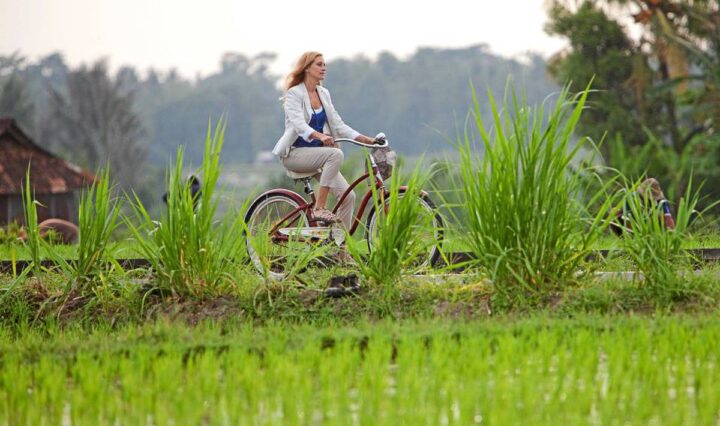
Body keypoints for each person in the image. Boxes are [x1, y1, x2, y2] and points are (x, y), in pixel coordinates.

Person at [272, 51, 377, 228]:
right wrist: (320, 135)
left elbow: (339, 125)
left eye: (324, 64)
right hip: (294, 155)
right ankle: (319, 208)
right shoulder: (294, 94)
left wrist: (369, 140)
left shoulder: (323, 93)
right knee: (335, 154)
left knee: (348, 197)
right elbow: (299, 125)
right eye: (319, 64)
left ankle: (339, 249)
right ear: (306, 68)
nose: (324, 68)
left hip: (317, 156)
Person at [610, 177, 676, 236]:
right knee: (614, 212)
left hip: (653, 227)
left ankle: (656, 237)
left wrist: (672, 236)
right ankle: (624, 239)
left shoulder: (661, 201)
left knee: (660, 214)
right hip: (635, 225)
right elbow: (627, 221)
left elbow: (668, 220)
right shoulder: (630, 199)